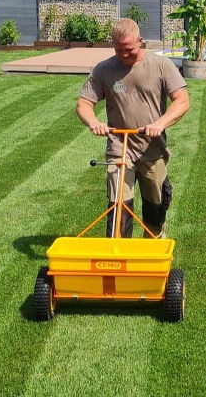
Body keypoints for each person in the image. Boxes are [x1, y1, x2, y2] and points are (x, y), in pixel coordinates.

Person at [76, 18, 189, 238]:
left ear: (140, 41)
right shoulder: (104, 70)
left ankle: (153, 239)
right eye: (119, 50)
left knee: (156, 203)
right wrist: (93, 122)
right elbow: (83, 104)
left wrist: (159, 124)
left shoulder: (161, 65)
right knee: (119, 203)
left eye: (128, 49)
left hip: (152, 148)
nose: (124, 54)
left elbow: (182, 101)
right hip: (120, 146)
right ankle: (119, 248)